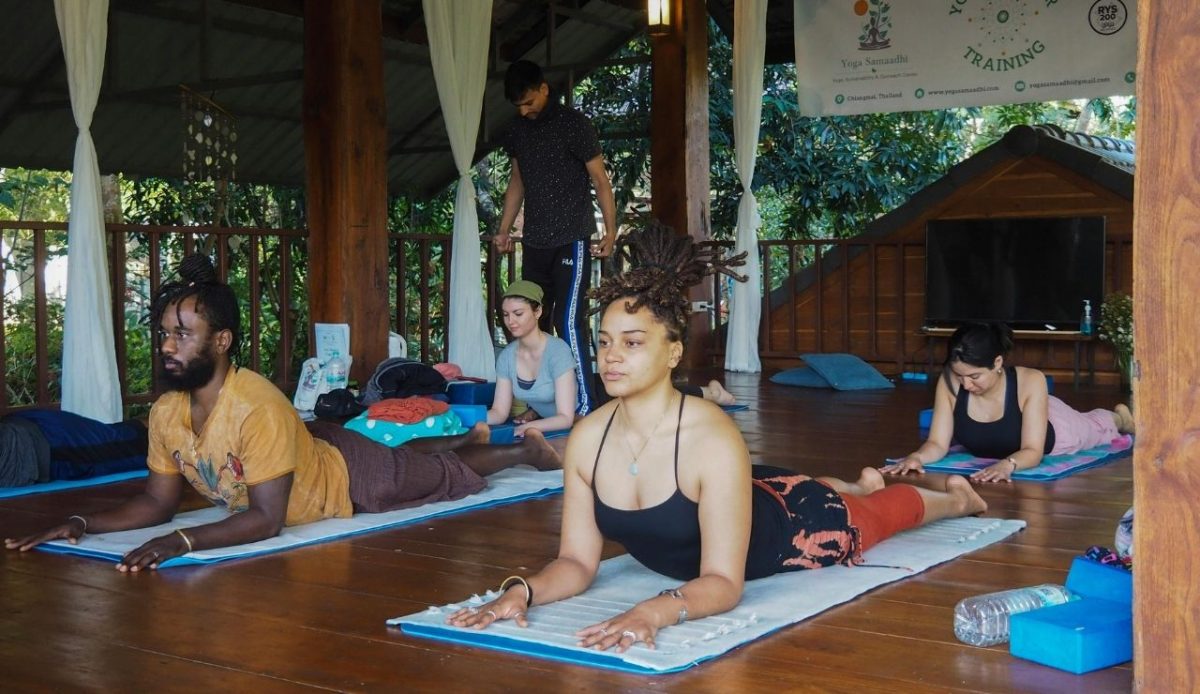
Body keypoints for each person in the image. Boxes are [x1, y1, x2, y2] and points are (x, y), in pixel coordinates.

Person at [446, 224, 987, 652]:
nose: (611, 356)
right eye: (606, 341)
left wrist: (653, 610)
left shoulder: (712, 436)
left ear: (674, 352)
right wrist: (519, 593)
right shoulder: (587, 439)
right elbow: (578, 563)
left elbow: (724, 582)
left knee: (880, 513)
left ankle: (952, 498)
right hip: (750, 489)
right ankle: (855, 483)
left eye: (633, 343)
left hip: (797, 524)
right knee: (799, 485)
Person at [5, 255, 561, 571]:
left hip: (348, 478)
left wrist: (185, 542)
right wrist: (82, 524)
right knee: (399, 452)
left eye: (182, 335)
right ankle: (463, 442)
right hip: (316, 444)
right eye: (164, 335)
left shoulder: (256, 405)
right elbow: (157, 500)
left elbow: (266, 520)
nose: (167, 346)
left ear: (221, 341)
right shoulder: (168, 412)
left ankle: (520, 451)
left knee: (437, 478)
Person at [493, 60, 618, 419]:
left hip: (572, 239)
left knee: (566, 320)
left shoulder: (575, 125)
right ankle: (540, 404)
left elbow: (600, 180)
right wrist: (504, 229)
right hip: (534, 240)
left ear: (544, 89)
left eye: (529, 101)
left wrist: (609, 231)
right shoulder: (517, 130)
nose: (524, 110)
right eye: (518, 105)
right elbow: (517, 182)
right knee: (535, 324)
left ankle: (582, 403)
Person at [880, 322, 1135, 484]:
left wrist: (1007, 464)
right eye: (960, 376)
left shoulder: (1030, 380)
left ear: (998, 363)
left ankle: (1120, 418)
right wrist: (916, 458)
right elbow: (936, 443)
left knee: (1094, 427)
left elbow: (1033, 451)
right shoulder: (949, 382)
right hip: (1027, 416)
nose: (966, 385)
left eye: (975, 377)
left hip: (1058, 428)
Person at [488, 279, 578, 436]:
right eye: (506, 314)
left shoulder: (558, 351)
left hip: (581, 419)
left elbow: (565, 418)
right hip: (547, 423)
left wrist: (527, 427)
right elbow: (499, 412)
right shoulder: (506, 357)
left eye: (518, 314)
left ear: (537, 312)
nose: (511, 321)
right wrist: (463, 418)